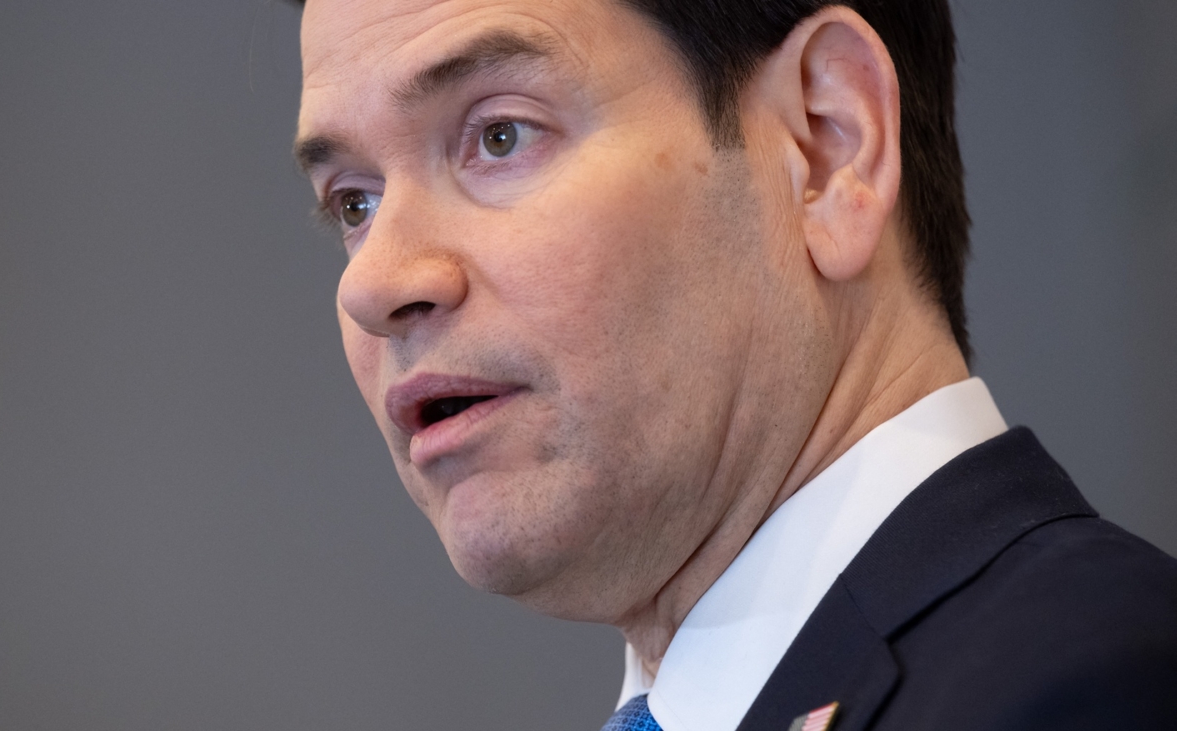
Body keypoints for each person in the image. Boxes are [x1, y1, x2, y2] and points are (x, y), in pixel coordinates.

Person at [291, 0, 1177, 728]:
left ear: (828, 146)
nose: (373, 283)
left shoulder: (1097, 688)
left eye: (500, 137)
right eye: (354, 202)